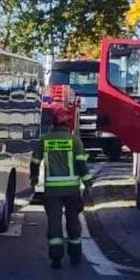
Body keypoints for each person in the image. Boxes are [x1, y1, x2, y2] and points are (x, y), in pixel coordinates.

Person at [30, 89, 92, 269]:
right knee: (73, 222)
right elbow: (82, 166)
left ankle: (56, 258)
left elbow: (35, 162)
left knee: (54, 224)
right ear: (68, 123)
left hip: (52, 191)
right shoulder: (75, 141)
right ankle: (75, 256)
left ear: (53, 123)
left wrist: (34, 179)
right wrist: (88, 184)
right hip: (72, 191)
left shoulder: (45, 140)